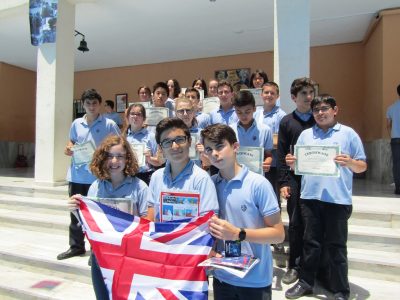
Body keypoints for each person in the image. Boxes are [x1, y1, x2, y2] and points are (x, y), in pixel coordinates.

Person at [284, 95, 367, 300]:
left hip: (337, 201)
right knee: (310, 243)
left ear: (335, 110)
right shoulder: (305, 136)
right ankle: (306, 282)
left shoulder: (348, 134)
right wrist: (291, 162)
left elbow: (362, 166)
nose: (320, 113)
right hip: (310, 198)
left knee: (336, 246)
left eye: (325, 108)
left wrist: (350, 162)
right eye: (316, 110)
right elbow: (298, 166)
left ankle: (341, 290)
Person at [201, 124, 284, 300]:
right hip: (222, 276)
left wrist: (238, 234)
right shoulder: (210, 184)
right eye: (209, 149)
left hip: (255, 280)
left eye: (220, 146)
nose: (214, 153)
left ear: (236, 147)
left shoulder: (258, 184)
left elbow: (278, 235)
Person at [68, 135, 149, 300]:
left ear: (127, 159)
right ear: (102, 159)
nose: (114, 161)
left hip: (129, 258)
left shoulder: (140, 187)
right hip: (101, 258)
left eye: (119, 156)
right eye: (109, 156)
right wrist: (77, 210)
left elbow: (147, 224)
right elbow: (90, 225)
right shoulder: (95, 187)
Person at [57, 89, 120, 261]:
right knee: (75, 213)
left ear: (99, 104)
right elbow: (71, 141)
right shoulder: (76, 123)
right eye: (88, 103)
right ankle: (76, 246)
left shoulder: (109, 125)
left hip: (97, 178)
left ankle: (96, 251)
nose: (91, 106)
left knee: (96, 216)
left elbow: (119, 145)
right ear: (83, 105)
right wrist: (68, 148)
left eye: (94, 103)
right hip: (77, 176)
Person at [277, 78, 316, 284]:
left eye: (311, 92)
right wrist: (283, 182)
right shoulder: (287, 122)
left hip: (317, 180)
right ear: (294, 98)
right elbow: (282, 154)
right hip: (295, 180)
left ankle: (315, 267)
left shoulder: (319, 118)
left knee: (315, 224)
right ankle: (294, 266)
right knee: (295, 224)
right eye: (304, 94)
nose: (309, 97)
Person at [147, 118, 219, 222]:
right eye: (167, 142)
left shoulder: (202, 179)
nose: (175, 146)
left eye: (180, 139)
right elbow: (151, 218)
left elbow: (209, 222)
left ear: (190, 142)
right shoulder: (156, 177)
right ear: (160, 148)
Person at [231, 90, 273, 173]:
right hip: (235, 175)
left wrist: (267, 162)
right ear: (235, 110)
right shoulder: (230, 130)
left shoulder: (265, 130)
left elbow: (268, 154)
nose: (243, 116)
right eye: (239, 112)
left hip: (257, 176)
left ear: (254, 109)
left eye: (247, 112)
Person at [124, 103, 164, 185]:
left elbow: (160, 162)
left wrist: (149, 159)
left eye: (139, 114)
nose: (135, 116)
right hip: (127, 176)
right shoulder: (123, 137)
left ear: (144, 119)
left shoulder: (151, 137)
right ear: (128, 117)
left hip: (145, 176)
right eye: (132, 114)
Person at [386, 84, 400, 195]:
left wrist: (392, 134)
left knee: (397, 164)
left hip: (396, 139)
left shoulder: (391, 108)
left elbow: (388, 125)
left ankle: (398, 188)